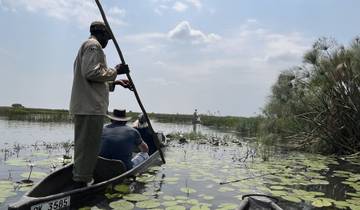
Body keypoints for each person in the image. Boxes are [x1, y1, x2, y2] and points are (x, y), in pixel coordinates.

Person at [69, 21, 131, 188]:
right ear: (101, 34)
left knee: (87, 148)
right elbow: (92, 73)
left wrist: (116, 83)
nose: (107, 42)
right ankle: (81, 185)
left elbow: (95, 82)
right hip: (90, 107)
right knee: (87, 149)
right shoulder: (94, 46)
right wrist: (116, 70)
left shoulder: (90, 46)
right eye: (107, 38)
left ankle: (82, 178)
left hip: (89, 106)